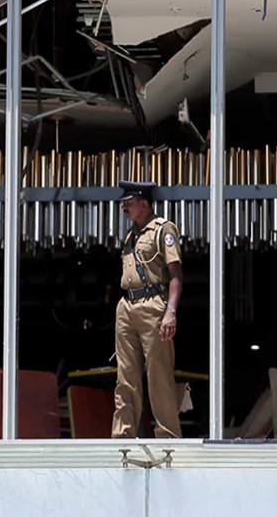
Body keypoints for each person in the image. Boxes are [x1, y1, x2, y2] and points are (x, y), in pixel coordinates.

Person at [112, 181, 183, 438]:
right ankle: (123, 435)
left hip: (153, 304)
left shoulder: (163, 229)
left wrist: (170, 312)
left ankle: (167, 435)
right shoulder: (131, 234)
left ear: (145, 204)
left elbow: (176, 274)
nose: (124, 208)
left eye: (129, 203)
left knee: (158, 374)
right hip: (127, 305)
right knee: (125, 375)